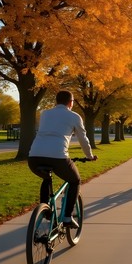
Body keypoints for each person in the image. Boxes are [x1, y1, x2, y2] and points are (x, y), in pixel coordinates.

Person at [28, 90, 97, 228]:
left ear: (56, 101)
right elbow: (83, 139)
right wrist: (89, 156)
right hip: (58, 157)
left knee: (47, 178)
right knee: (75, 180)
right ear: (71, 102)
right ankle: (66, 216)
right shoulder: (74, 116)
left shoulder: (45, 114)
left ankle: (45, 210)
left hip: (34, 157)